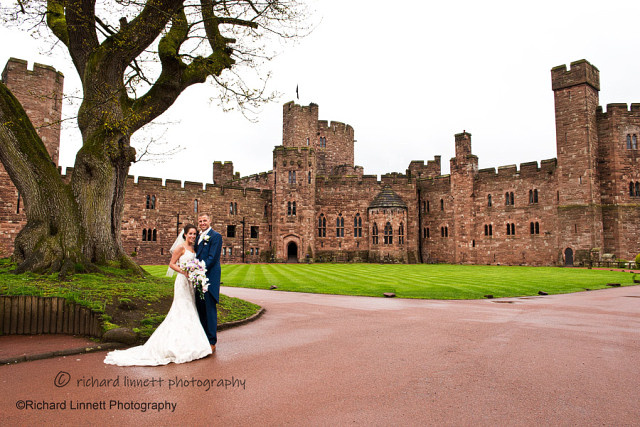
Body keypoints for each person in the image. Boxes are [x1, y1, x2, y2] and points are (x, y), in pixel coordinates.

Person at [103, 224, 212, 366]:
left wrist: (194, 272)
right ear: (184, 234)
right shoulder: (180, 248)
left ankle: (189, 342)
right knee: (181, 309)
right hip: (182, 282)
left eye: (194, 234)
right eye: (190, 233)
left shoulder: (194, 248)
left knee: (191, 308)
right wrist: (184, 271)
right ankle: (175, 346)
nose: (192, 236)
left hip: (190, 283)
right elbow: (171, 264)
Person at [195, 213, 222, 352]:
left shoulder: (216, 236)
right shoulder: (198, 237)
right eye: (200, 221)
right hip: (198, 278)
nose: (202, 223)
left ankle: (212, 341)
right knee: (200, 309)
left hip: (209, 278)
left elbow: (212, 258)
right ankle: (203, 338)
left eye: (204, 220)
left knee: (210, 309)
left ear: (210, 221)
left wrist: (197, 268)